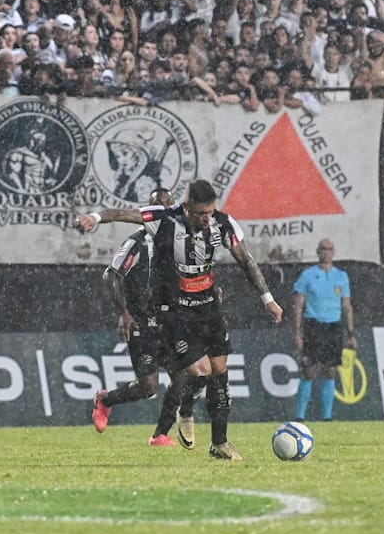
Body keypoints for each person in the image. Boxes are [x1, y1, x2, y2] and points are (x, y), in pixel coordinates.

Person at [76, 179, 285, 460]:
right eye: (201, 214)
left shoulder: (222, 224)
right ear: (186, 208)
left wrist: (268, 299)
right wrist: (96, 217)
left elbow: (246, 260)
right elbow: (123, 217)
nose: (206, 219)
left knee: (216, 372)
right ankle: (171, 412)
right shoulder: (159, 224)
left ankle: (212, 440)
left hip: (208, 310)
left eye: (209, 213)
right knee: (184, 375)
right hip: (170, 314)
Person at [90, 188, 209, 448]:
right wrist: (125, 311)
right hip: (141, 323)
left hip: (168, 323)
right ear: (149, 212)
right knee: (148, 387)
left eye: (169, 207)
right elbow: (111, 275)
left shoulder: (181, 242)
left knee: (182, 377)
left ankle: (160, 435)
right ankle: (105, 400)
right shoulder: (137, 242)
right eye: (159, 207)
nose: (165, 213)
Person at [291, 238, 356, 422]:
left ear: (333, 252)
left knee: (330, 370)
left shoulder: (341, 277)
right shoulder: (307, 275)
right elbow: (298, 305)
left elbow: (347, 306)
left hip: (334, 327)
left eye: (329, 249)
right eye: (322, 249)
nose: (326, 252)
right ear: (317, 251)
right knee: (309, 370)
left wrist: (351, 333)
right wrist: (297, 333)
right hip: (314, 325)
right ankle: (300, 416)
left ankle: (327, 417)